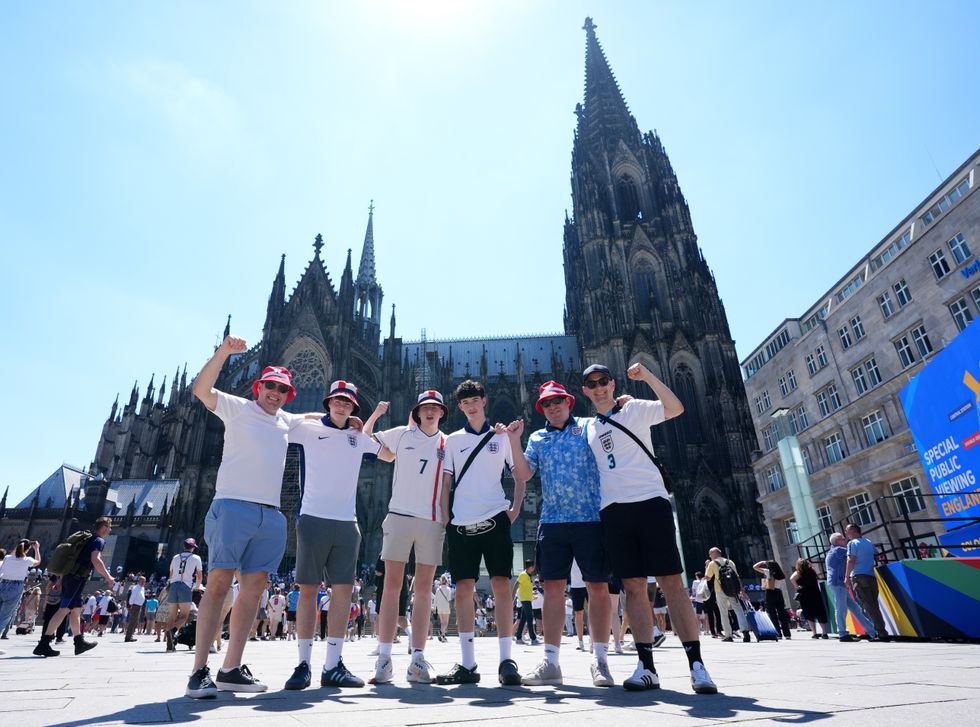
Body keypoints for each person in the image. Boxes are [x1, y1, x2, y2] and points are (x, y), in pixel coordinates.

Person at [184, 335, 315, 698]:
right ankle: (199, 671)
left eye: (282, 389)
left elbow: (313, 418)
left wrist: (351, 421)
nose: (275, 392)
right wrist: (223, 352)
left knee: (253, 590)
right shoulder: (238, 407)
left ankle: (230, 669)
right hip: (233, 506)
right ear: (259, 387)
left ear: (288, 395)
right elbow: (200, 389)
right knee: (219, 584)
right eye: (270, 386)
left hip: (270, 516)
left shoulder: (287, 420)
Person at [581, 363, 716, 694]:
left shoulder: (635, 408)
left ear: (612, 384)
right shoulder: (586, 428)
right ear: (585, 390)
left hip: (650, 502)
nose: (598, 387)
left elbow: (676, 408)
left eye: (603, 381)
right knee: (633, 586)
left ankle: (696, 665)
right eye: (591, 384)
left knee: (672, 582)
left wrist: (648, 378)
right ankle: (646, 666)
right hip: (613, 510)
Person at [507, 380, 614, 688]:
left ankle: (601, 661)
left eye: (558, 401)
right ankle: (551, 661)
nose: (553, 407)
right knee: (552, 588)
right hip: (552, 521)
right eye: (547, 404)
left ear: (569, 402)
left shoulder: (590, 427)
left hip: (590, 518)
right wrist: (515, 441)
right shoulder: (538, 438)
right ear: (541, 409)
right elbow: (525, 474)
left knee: (597, 588)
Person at [283, 381, 384, 691]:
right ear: (328, 403)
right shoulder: (307, 430)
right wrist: (317, 415)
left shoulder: (357, 436)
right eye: (336, 401)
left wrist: (371, 422)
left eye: (347, 402)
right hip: (312, 517)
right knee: (309, 590)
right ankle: (303, 665)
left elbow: (388, 455)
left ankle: (333, 665)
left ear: (355, 407)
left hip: (346, 521)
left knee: (342, 592)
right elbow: (280, 420)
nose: (341, 406)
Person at [434, 379, 525, 686]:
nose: (471, 405)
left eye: (475, 400)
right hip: (461, 522)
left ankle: (505, 660)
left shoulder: (501, 437)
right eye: (465, 402)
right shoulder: (453, 440)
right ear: (459, 406)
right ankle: (468, 663)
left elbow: (520, 473)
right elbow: (446, 482)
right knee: (462, 588)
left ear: (484, 401)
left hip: (495, 517)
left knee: (501, 584)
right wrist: (446, 517)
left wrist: (515, 509)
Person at [367, 390, 450, 685]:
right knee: (391, 586)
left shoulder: (447, 443)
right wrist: (375, 415)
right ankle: (385, 658)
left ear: (442, 413)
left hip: (430, 521)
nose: (430, 412)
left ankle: (417, 659)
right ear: (416, 412)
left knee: (424, 590)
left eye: (435, 408)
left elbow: (450, 481)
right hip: (400, 516)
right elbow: (368, 442)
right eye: (425, 407)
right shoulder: (401, 434)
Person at [34, 517, 115, 657]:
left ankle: (79, 642)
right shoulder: (98, 540)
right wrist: (108, 577)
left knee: (76, 610)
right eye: (109, 527)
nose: (110, 530)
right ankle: (43, 643)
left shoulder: (88, 539)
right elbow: (96, 559)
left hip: (70, 577)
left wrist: (61, 579)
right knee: (64, 609)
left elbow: (72, 559)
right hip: (76, 579)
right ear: (103, 527)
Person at [824, 532, 877, 642]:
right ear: (837, 541)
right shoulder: (838, 550)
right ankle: (843, 633)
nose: (846, 540)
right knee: (841, 608)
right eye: (843, 538)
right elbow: (854, 554)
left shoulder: (833, 551)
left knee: (855, 608)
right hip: (838, 582)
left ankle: (872, 631)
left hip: (838, 583)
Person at [844, 523, 889, 640]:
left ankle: (881, 633)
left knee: (868, 606)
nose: (846, 534)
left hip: (859, 577)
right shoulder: (868, 542)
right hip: (871, 576)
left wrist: (846, 576)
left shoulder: (852, 543)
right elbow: (877, 555)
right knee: (874, 605)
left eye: (847, 531)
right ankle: (881, 631)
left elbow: (851, 560)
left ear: (854, 532)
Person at [705, 547, 750, 644]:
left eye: (710, 554)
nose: (709, 556)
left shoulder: (712, 563)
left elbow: (708, 578)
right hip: (733, 590)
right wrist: (742, 591)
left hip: (720, 590)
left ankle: (728, 635)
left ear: (714, 554)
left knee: (723, 613)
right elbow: (737, 577)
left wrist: (707, 567)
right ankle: (745, 631)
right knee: (738, 610)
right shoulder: (730, 562)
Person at [165, 539, 203, 651]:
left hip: (173, 586)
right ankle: (172, 631)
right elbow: (199, 576)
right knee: (184, 616)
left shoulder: (175, 557)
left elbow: (170, 574)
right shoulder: (196, 558)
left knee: (172, 616)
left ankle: (169, 644)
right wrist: (197, 586)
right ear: (193, 547)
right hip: (185, 586)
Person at [0, 539, 41, 636]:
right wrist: (37, 549)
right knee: (4, 616)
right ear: (27, 550)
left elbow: (14, 554)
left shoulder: (7, 558)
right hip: (15, 587)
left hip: (2, 584)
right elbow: (38, 562)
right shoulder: (27, 560)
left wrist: (20, 545)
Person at [753, 559, 792, 639]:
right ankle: (787, 634)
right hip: (778, 593)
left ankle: (778, 634)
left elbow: (755, 567)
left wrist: (762, 562)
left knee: (772, 614)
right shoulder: (781, 574)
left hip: (770, 593)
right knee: (782, 614)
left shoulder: (768, 571)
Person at [791, 559, 829, 638]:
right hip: (815, 594)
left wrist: (797, 587)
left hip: (805, 595)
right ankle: (824, 633)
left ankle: (814, 633)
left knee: (809, 614)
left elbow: (791, 578)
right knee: (820, 612)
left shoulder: (799, 573)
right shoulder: (812, 571)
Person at [512, 561, 538, 645]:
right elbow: (516, 584)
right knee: (530, 619)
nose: (534, 568)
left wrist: (532, 597)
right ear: (530, 567)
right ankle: (533, 638)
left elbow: (527, 589)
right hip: (524, 600)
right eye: (533, 567)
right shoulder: (523, 575)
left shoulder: (528, 576)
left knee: (523, 620)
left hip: (528, 600)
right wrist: (512, 596)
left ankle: (518, 638)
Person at [124, 575, 148, 642]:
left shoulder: (142, 588)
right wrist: (131, 605)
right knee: (132, 622)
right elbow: (132, 597)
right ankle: (128, 637)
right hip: (135, 606)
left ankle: (130, 635)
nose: (144, 582)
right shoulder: (136, 588)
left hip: (139, 606)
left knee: (135, 622)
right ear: (139, 581)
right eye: (142, 581)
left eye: (145, 581)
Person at [433, 574, 453, 643]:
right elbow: (449, 599)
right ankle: (441, 632)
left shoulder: (438, 589)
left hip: (439, 607)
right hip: (446, 606)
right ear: (447, 581)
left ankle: (443, 636)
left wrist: (434, 608)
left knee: (442, 622)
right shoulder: (448, 589)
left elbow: (435, 599)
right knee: (445, 622)